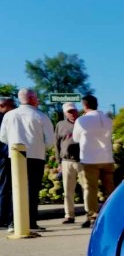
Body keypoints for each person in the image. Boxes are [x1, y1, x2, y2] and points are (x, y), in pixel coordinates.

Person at [0, 88, 54, 232]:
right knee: (32, 189)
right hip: (35, 156)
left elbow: (3, 138)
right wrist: (40, 146)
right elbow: (50, 141)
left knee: (14, 188)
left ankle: (13, 222)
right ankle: (30, 222)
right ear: (31, 98)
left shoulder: (9, 115)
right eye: (36, 97)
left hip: (15, 156)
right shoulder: (41, 116)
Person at [72, 94, 114, 228]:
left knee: (90, 189)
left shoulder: (81, 120)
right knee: (109, 188)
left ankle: (92, 215)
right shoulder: (108, 119)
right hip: (107, 158)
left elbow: (76, 139)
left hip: (89, 159)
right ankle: (112, 213)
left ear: (85, 106)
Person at [55, 102, 82, 224]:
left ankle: (90, 215)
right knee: (68, 190)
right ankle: (69, 215)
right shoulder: (60, 125)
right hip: (66, 161)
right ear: (65, 113)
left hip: (82, 160)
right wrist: (58, 163)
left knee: (86, 189)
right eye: (69, 112)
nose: (72, 113)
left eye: (74, 111)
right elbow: (57, 145)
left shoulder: (83, 123)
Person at [0, 97, 17, 232]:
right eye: (11, 105)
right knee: (5, 188)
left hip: (6, 156)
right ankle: (5, 218)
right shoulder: (4, 118)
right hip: (5, 156)